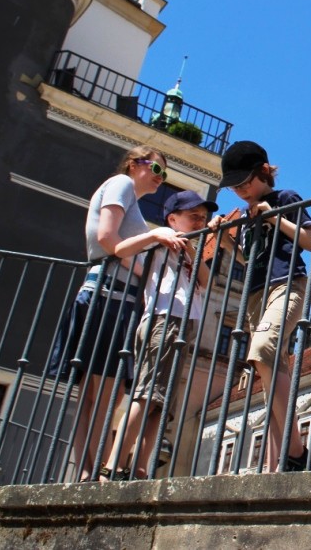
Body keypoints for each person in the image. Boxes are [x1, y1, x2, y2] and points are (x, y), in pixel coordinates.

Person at [48, 145, 185, 482]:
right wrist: (151, 247)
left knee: (96, 395)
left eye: (164, 173)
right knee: (104, 394)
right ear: (134, 164)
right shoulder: (121, 185)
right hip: (109, 295)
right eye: (156, 169)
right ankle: (90, 470)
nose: (160, 178)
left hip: (109, 295)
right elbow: (106, 238)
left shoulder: (129, 198)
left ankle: (85, 470)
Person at [100, 190, 218, 481]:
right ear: (173, 218)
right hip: (165, 319)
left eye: (203, 217)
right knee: (148, 392)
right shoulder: (162, 240)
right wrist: (159, 235)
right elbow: (121, 249)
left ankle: (139, 467)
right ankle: (113, 465)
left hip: (183, 324)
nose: (200, 221)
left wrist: (195, 246)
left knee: (161, 402)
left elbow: (207, 281)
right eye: (193, 216)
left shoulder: (190, 247)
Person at [217, 141, 311, 473]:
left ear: (263, 172)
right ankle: (279, 464)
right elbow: (251, 260)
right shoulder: (247, 215)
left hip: (288, 284)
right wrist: (228, 242)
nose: (241, 192)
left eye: (245, 183)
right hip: (256, 295)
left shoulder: (285, 198)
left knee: (262, 350)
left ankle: (298, 451)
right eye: (234, 187)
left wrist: (274, 218)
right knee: (270, 374)